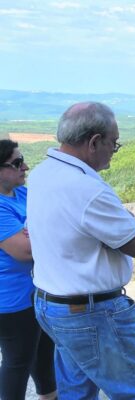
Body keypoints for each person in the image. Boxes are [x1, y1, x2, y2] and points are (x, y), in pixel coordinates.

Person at [28, 102, 135, 398]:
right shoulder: (87, 189)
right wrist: (127, 219)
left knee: (77, 390)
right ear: (93, 142)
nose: (115, 150)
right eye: (113, 143)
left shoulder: (40, 174)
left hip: (52, 305)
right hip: (91, 312)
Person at [0, 140, 57, 400]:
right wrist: (35, 231)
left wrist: (34, 232)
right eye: (16, 163)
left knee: (44, 353)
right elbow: (24, 251)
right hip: (11, 300)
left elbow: (54, 220)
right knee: (18, 362)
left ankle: (50, 396)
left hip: (36, 292)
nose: (26, 166)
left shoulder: (21, 194)